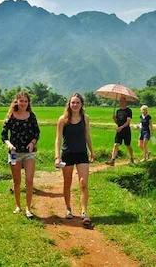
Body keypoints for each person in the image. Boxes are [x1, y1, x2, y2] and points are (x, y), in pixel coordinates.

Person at [55, 93, 95, 228]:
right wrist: (57, 156)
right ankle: (68, 208)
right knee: (67, 182)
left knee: (83, 183)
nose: (75, 105)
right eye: (73, 103)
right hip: (67, 154)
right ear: (69, 104)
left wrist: (92, 151)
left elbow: (87, 135)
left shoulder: (85, 118)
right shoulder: (63, 119)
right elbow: (58, 139)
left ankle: (84, 212)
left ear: (82, 104)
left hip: (82, 153)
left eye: (77, 102)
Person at [1, 91, 40, 219]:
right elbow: (4, 135)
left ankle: (28, 208)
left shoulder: (31, 116)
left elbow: (37, 132)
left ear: (28, 103)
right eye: (21, 101)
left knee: (29, 181)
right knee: (17, 181)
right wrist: (8, 144)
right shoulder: (11, 116)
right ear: (16, 102)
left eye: (25, 101)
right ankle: (18, 206)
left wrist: (32, 142)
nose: (23, 103)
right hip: (14, 154)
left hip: (29, 153)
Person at [105, 96, 134, 166]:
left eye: (123, 101)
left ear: (125, 102)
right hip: (119, 130)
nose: (121, 103)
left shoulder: (128, 111)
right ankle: (112, 160)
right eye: (120, 101)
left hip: (126, 130)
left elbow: (128, 122)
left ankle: (131, 158)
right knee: (116, 144)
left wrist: (121, 127)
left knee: (128, 145)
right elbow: (117, 122)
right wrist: (114, 119)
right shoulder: (118, 111)